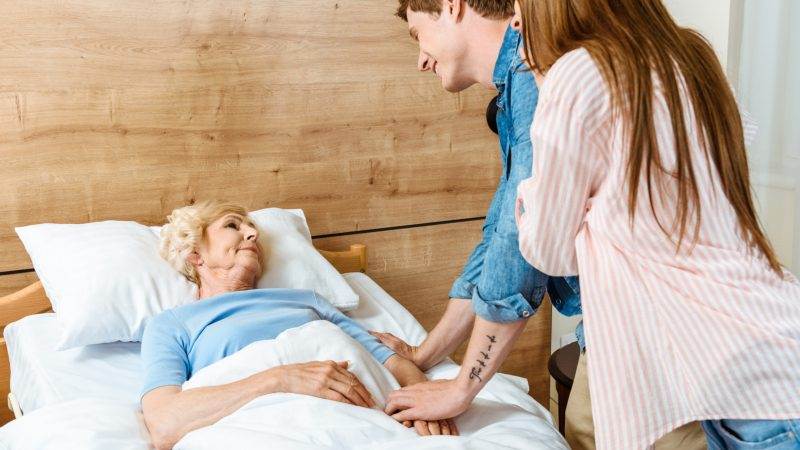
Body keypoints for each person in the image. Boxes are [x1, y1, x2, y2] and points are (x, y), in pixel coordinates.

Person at [513, 0, 800, 449]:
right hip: (777, 346)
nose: (515, 18)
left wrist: (552, 198)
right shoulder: (692, 57)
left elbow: (549, 251)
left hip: (740, 391)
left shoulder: (578, 72)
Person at [371, 0, 584, 428]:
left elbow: (516, 251)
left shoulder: (537, 77)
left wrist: (461, 388)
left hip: (654, 340)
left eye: (419, 36)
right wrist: (424, 355)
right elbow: (499, 237)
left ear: (453, 7)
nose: (421, 60)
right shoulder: (517, 88)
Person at [140, 201, 456, 450]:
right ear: (195, 253)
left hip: (355, 416)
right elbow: (165, 424)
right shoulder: (172, 324)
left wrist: (423, 399)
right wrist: (282, 377)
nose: (251, 235)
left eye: (252, 230)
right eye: (233, 226)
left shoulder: (308, 299)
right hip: (264, 427)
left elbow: (391, 362)